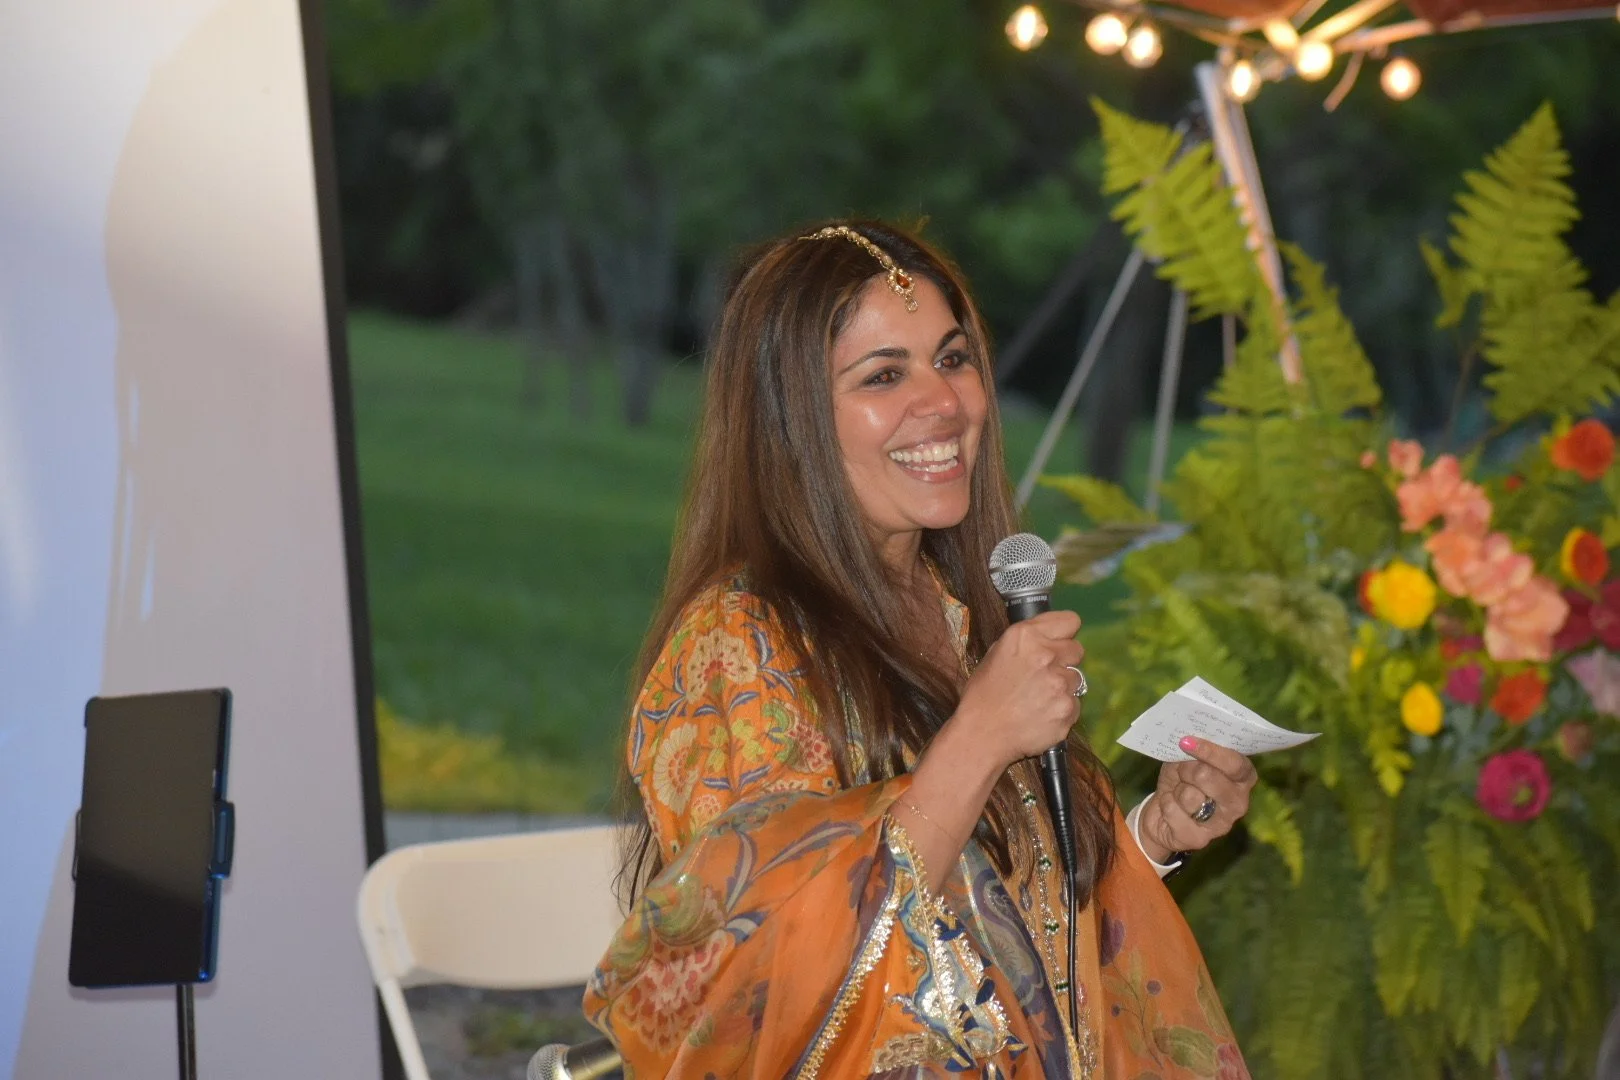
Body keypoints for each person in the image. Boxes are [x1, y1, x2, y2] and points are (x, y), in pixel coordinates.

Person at [584, 220, 1258, 1078]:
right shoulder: (735, 654)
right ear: (789, 420)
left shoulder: (954, 611)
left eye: (952, 358)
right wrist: (979, 736)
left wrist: (1151, 836)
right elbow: (766, 987)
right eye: (883, 375)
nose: (941, 403)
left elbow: (996, 928)